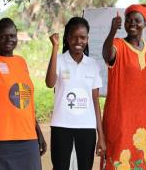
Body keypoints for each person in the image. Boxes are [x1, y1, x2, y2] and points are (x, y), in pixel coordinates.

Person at [0, 0, 46, 170]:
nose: (9, 39)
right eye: (3, 36)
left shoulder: (21, 62)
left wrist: (39, 133)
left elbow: (25, 102)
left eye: (12, 35)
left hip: (28, 138)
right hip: (0, 140)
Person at [102, 4, 146, 169]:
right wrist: (112, 31)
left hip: (145, 121)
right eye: (128, 20)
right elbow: (106, 55)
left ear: (145, 23)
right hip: (121, 120)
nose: (132, 23)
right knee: (119, 160)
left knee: (143, 162)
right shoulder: (117, 45)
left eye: (137, 20)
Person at [45, 17, 106, 170]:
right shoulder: (58, 60)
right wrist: (55, 48)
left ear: (87, 39)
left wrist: (101, 135)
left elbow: (95, 102)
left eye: (83, 37)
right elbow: (50, 83)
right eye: (74, 37)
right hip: (61, 126)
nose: (78, 41)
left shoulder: (92, 65)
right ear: (67, 38)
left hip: (87, 128)